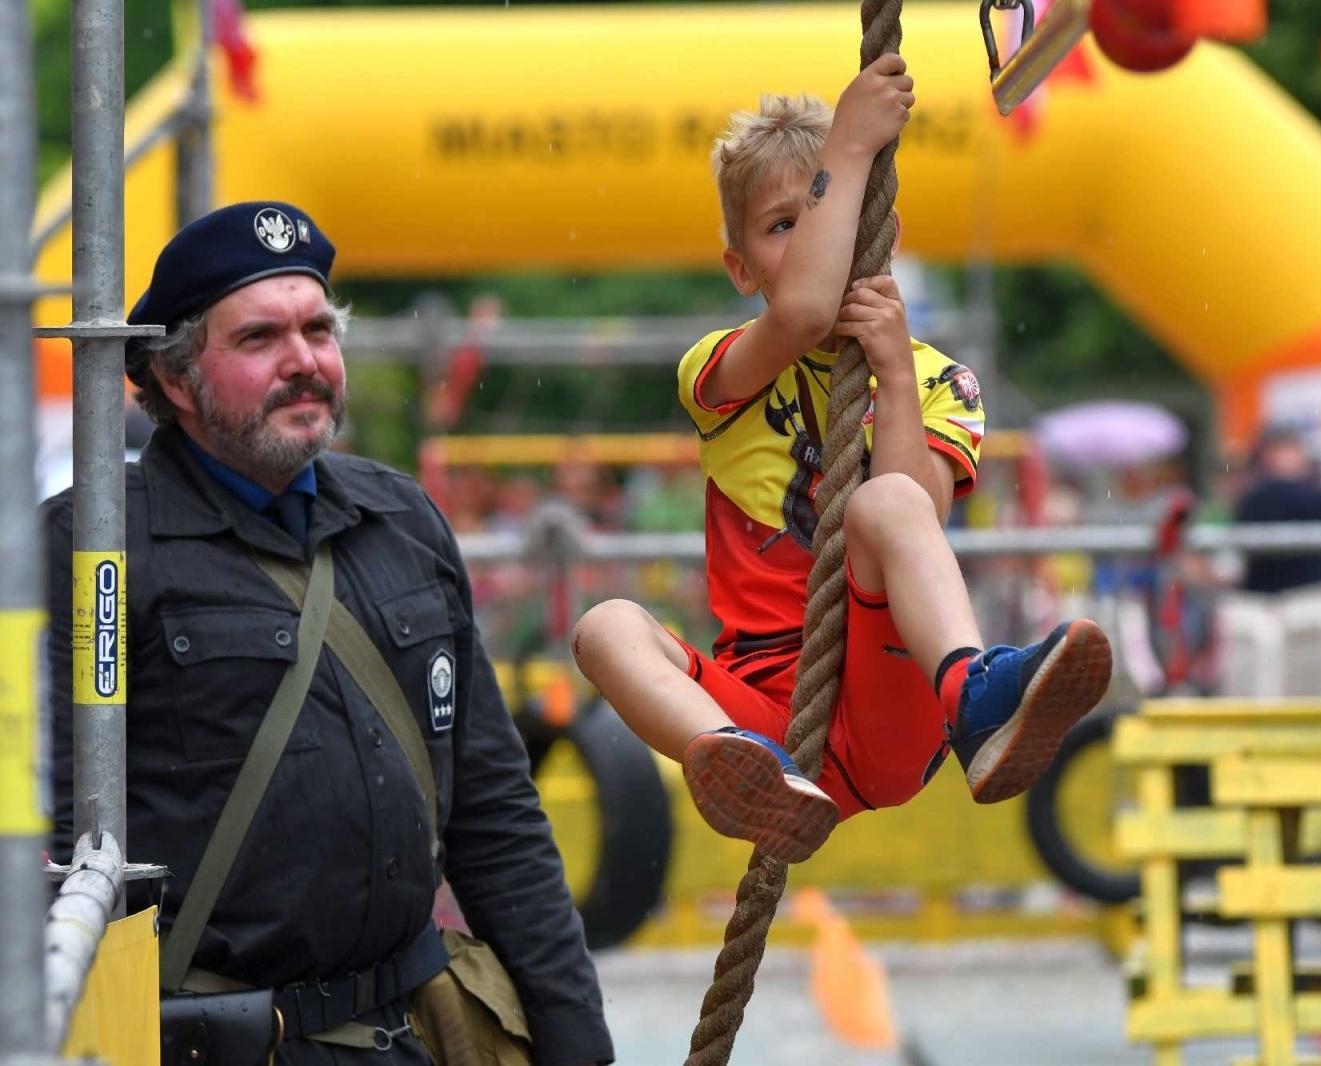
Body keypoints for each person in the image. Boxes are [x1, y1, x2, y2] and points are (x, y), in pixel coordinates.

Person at [43, 201, 612, 1066]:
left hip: (418, 1034)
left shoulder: (405, 519)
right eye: (259, 338)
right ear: (172, 378)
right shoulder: (88, 551)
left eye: (318, 329)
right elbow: (38, 837)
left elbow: (494, 816)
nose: (304, 361)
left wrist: (581, 1047)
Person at [570, 60, 1113, 864]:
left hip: (885, 693)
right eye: (780, 226)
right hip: (768, 713)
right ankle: (738, 767)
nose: (809, 240)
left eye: (827, 216)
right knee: (602, 627)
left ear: (880, 231)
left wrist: (894, 373)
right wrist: (849, 150)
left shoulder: (941, 381)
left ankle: (975, 697)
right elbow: (806, 311)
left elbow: (914, 506)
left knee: (884, 504)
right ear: (741, 267)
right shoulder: (721, 367)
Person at [1233, 421, 1321, 594]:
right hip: (1263, 600)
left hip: (1315, 593)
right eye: (1279, 449)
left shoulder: (1319, 494)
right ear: (1265, 454)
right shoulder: (1255, 496)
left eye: (1290, 448)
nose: (1285, 457)